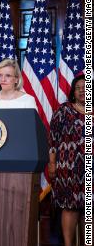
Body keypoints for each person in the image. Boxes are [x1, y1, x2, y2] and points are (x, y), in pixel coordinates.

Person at [48, 74, 87, 246]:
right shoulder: (64, 110)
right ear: (73, 91)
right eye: (78, 88)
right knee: (69, 207)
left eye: (85, 87)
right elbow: (53, 139)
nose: (82, 91)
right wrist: (52, 163)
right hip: (67, 168)